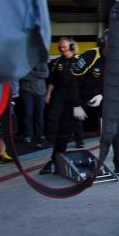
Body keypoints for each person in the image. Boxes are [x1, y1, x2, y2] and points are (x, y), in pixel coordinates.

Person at [73, 31, 119, 176]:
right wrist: (76, 104)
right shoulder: (91, 55)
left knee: (115, 131)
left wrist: (102, 96)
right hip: (84, 96)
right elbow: (73, 79)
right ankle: (55, 157)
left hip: (106, 98)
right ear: (102, 43)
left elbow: (118, 85)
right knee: (62, 119)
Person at [40, 38, 87, 174]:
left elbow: (84, 81)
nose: (62, 50)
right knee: (52, 117)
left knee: (67, 128)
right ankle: (51, 141)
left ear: (72, 47)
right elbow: (52, 80)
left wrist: (81, 102)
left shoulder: (80, 61)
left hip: (74, 99)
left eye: (64, 47)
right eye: (60, 48)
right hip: (59, 95)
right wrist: (48, 94)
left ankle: (58, 154)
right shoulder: (57, 62)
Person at [19, 62, 49, 146]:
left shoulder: (41, 61)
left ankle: (39, 134)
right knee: (28, 114)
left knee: (39, 115)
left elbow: (45, 74)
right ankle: (28, 135)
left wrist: (30, 73)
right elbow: (21, 76)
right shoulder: (23, 62)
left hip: (40, 91)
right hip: (26, 91)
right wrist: (37, 75)